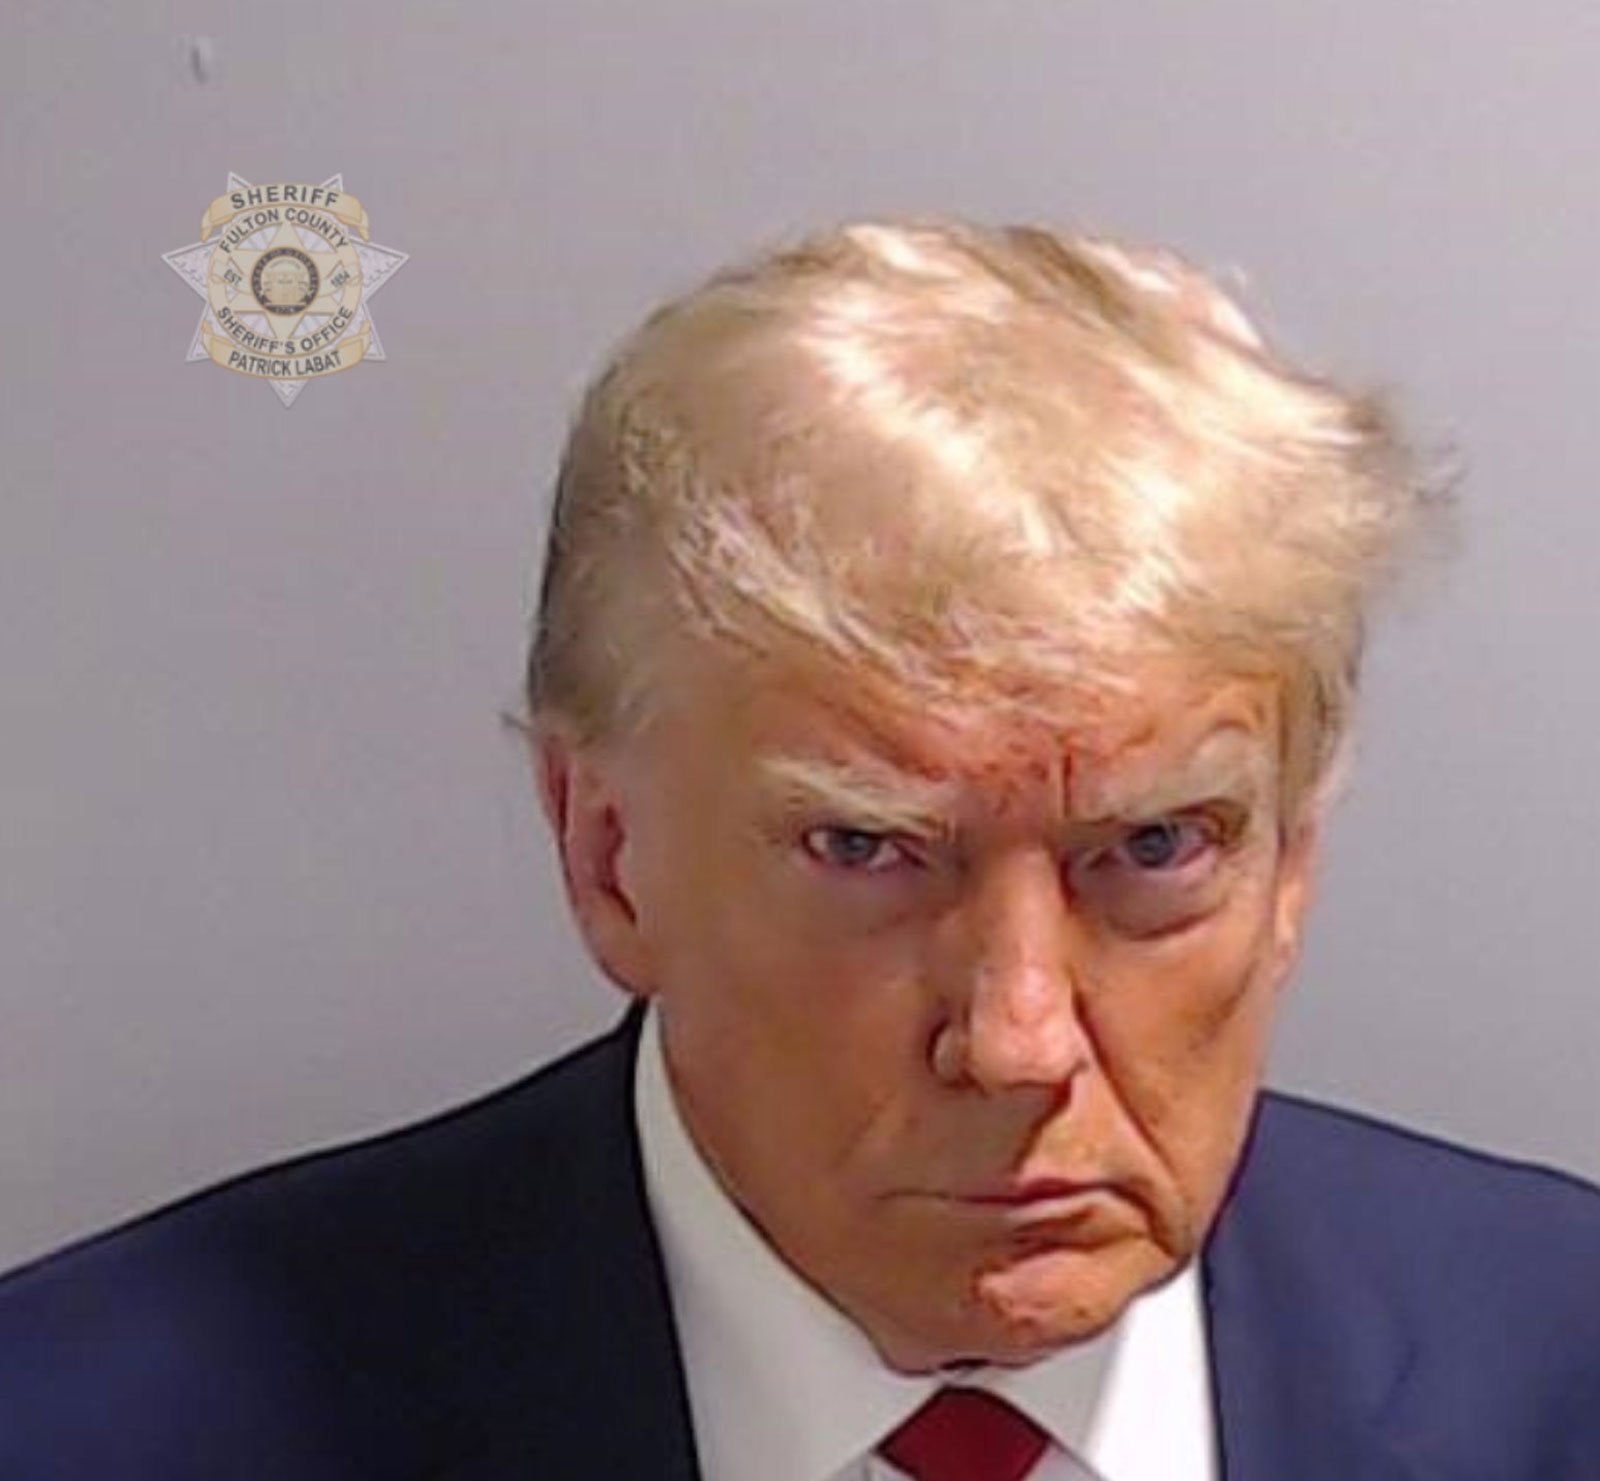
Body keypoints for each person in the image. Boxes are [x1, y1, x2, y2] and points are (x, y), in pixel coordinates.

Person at [2, 218, 1597, 1481]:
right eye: (869, 848)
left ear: (1293, 862)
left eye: (1157, 846)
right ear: (607, 856)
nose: (1018, 1039)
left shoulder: (1564, 1364)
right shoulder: (87, 1428)